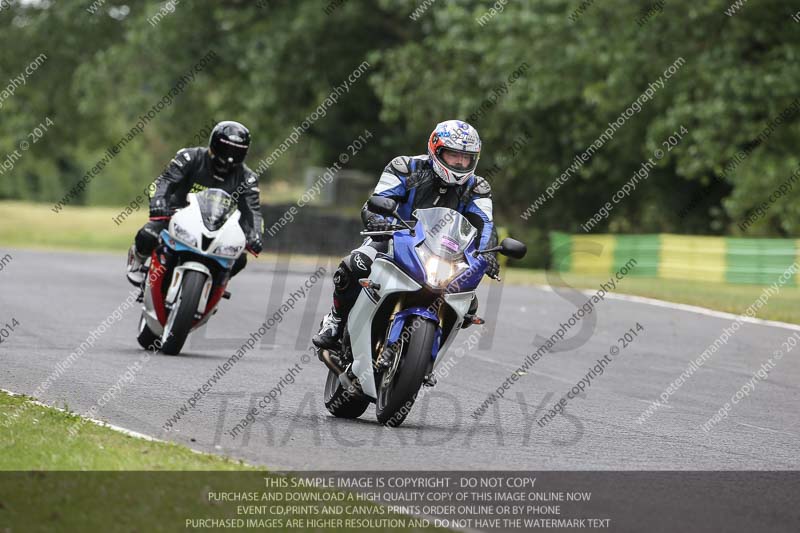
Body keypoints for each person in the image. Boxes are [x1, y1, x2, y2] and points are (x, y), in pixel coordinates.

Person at [312, 119, 498, 350]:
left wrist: (488, 254)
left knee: (468, 302)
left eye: (466, 157)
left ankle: (428, 351)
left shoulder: (478, 188)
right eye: (453, 155)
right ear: (436, 150)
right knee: (355, 264)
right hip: (393, 239)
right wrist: (377, 220)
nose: (460, 162)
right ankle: (335, 320)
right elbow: (377, 200)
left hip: (445, 254)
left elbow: (485, 225)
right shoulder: (405, 167)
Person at [126, 120, 264, 286]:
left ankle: (216, 285)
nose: (229, 156)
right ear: (214, 144)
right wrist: (159, 202)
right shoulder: (189, 157)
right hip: (177, 215)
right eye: (226, 148)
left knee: (240, 258)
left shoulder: (248, 178)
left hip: (218, 228)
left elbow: (253, 211)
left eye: (237, 152)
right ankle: (138, 259)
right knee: (149, 234)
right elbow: (164, 181)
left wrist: (255, 235)